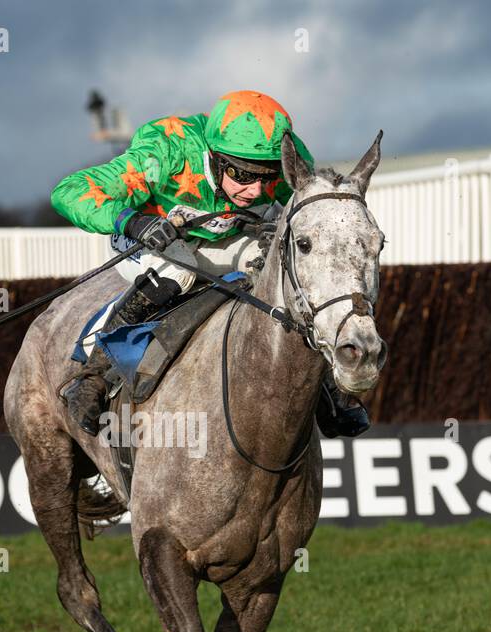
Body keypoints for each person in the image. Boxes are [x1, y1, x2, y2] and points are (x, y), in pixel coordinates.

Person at [50, 89, 370, 438]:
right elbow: (67, 190)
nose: (256, 191)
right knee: (179, 272)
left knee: (281, 268)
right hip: (144, 236)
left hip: (221, 240)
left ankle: (327, 386)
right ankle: (93, 374)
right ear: (215, 159)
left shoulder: (289, 154)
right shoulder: (166, 152)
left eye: (266, 176)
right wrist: (132, 221)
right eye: (243, 175)